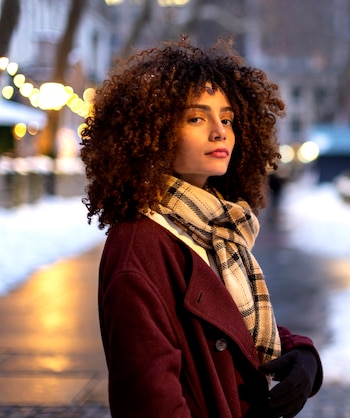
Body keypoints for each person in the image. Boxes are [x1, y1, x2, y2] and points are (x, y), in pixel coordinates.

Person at [79, 39, 323, 418]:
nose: (219, 131)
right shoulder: (141, 244)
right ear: (154, 131)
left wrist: (300, 354)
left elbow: (233, 322)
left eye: (226, 119)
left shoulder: (217, 228)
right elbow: (151, 402)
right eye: (197, 118)